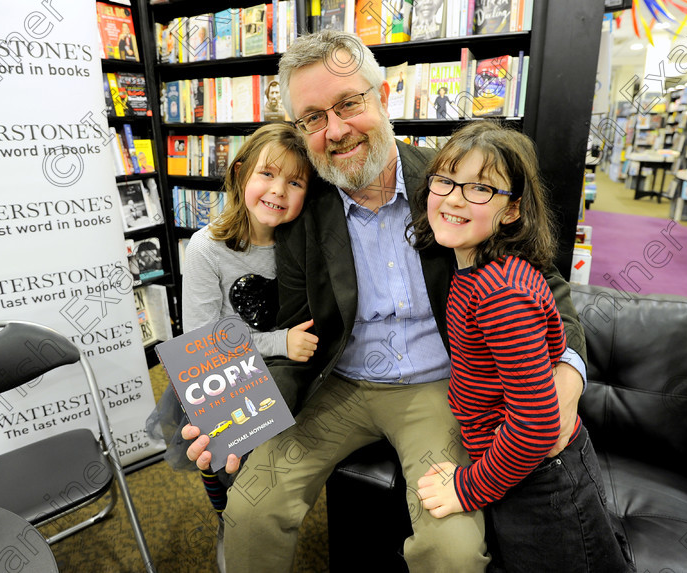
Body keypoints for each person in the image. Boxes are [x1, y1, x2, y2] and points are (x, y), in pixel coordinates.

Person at [183, 31, 589, 573]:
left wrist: (569, 371)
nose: (336, 129)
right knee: (251, 511)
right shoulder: (305, 208)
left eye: (349, 102)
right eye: (313, 118)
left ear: (384, 96)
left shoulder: (449, 183)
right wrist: (240, 416)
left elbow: (547, 285)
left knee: (452, 550)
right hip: (339, 385)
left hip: (440, 388)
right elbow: (291, 332)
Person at [411, 121, 633, 572]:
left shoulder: (501, 292)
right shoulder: (472, 270)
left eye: (481, 188)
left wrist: (467, 488)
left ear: (512, 211)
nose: (454, 197)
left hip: (542, 482)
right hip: (512, 469)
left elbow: (536, 426)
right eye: (446, 180)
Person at [146, 123, 318, 522]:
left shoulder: (299, 245)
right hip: (219, 371)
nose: (278, 190)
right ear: (240, 173)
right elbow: (201, 341)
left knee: (267, 469)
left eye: (295, 182)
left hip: (279, 368)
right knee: (224, 459)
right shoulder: (207, 248)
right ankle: (226, 519)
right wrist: (279, 343)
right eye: (267, 174)